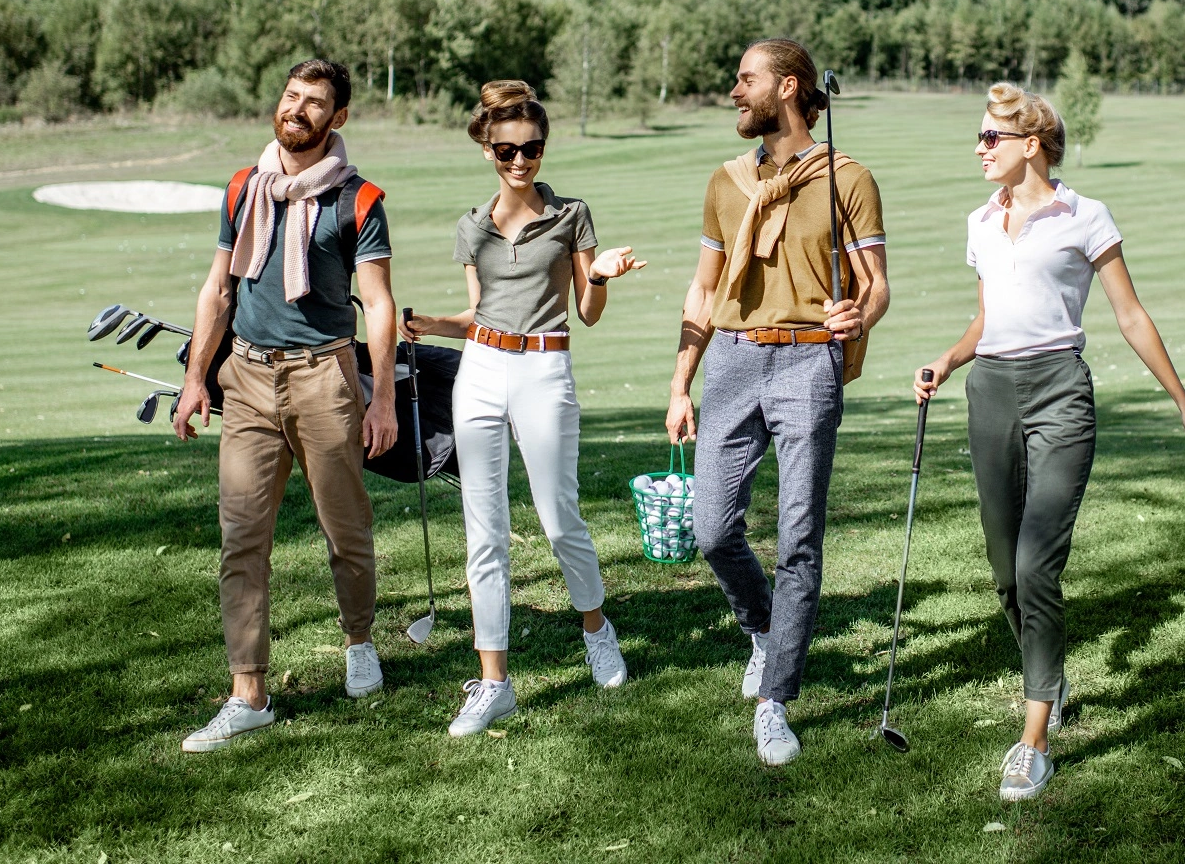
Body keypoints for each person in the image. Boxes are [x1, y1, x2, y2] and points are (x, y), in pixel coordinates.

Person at [913, 82, 1185, 803]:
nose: (981, 148)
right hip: (989, 392)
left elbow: (1131, 315)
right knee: (1003, 569)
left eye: (993, 136)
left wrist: (1184, 404)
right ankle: (1049, 670)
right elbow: (986, 318)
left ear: (1031, 143)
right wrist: (948, 359)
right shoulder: (981, 222)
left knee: (1036, 561)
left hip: (1059, 395)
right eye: (980, 136)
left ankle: (1033, 736)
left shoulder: (1087, 216)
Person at [667, 38, 890, 766]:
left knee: (798, 536)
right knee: (710, 527)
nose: (735, 91)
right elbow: (703, 288)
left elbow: (876, 282)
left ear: (788, 87)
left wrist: (863, 313)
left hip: (807, 362)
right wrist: (680, 380)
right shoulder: (726, 180)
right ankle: (764, 629)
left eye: (746, 79)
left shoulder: (846, 176)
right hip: (731, 358)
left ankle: (776, 698)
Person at [403, 80, 647, 737]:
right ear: (489, 149)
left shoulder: (571, 215)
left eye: (531, 150)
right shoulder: (472, 226)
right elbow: (479, 313)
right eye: (508, 150)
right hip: (481, 370)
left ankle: (597, 627)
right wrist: (428, 322)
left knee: (559, 516)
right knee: (484, 529)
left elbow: (588, 312)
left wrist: (599, 276)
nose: (520, 162)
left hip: (544, 367)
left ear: (542, 149)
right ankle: (493, 683)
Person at [171, 59, 400, 753]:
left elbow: (381, 304)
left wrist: (380, 395)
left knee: (345, 528)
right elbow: (217, 289)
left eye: (316, 102)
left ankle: (359, 639)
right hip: (244, 377)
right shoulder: (244, 188)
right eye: (292, 96)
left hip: (324, 377)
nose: (298, 108)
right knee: (242, 537)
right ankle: (249, 693)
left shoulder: (357, 200)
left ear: (339, 117)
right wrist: (195, 378)